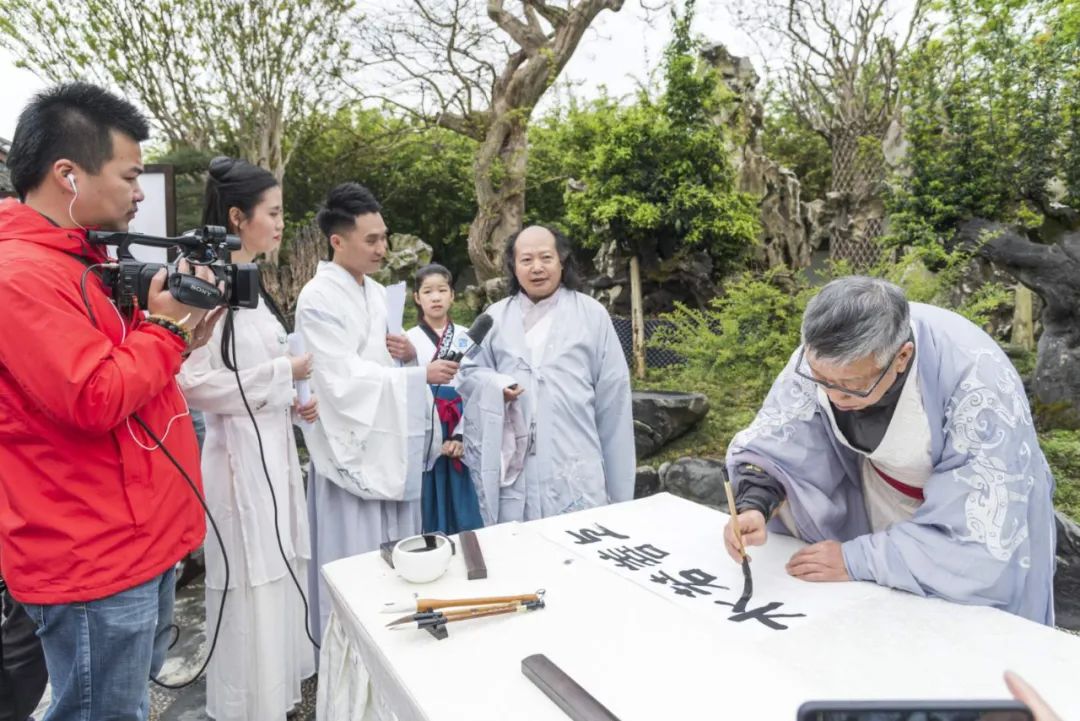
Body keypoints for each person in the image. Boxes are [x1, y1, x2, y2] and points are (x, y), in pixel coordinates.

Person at [0, 83, 220, 720]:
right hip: (91, 555)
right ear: (67, 174)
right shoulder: (21, 276)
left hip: (134, 538)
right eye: (129, 174)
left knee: (120, 702)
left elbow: (131, 375)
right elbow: (94, 397)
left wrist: (178, 335)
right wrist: (167, 329)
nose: (140, 191)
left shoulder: (79, 262)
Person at [723, 276, 1055, 624]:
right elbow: (783, 440)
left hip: (963, 513)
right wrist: (754, 505)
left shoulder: (979, 383)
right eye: (822, 382)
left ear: (902, 357)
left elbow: (979, 542)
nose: (833, 397)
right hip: (879, 490)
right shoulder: (825, 355)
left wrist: (859, 559)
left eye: (852, 388)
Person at [177, 157, 318, 721]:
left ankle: (273, 701)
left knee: (277, 575)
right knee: (247, 586)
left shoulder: (251, 285)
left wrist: (290, 398)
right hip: (236, 462)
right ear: (237, 216)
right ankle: (243, 708)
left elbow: (256, 376)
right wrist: (283, 374)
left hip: (273, 452)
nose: (282, 223)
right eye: (274, 213)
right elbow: (193, 382)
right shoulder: (201, 280)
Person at [295, 182, 456, 639]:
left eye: (384, 237)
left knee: (397, 563)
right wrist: (415, 376)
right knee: (355, 562)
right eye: (372, 240)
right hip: (351, 452)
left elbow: (378, 363)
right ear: (337, 241)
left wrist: (405, 355)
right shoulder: (317, 297)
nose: (383, 248)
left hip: (387, 443)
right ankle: (350, 653)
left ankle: (398, 643)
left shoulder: (376, 293)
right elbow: (338, 379)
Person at [456, 225, 636, 524]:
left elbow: (614, 402)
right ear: (513, 267)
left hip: (575, 461)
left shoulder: (593, 315)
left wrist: (620, 496)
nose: (537, 267)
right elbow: (466, 372)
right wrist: (497, 385)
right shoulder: (492, 317)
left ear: (562, 262)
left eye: (546, 258)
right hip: (516, 469)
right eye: (526, 260)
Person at [405, 263, 484, 534]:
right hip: (425, 425)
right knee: (428, 502)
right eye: (428, 291)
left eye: (442, 290)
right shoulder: (407, 341)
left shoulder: (468, 336)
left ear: (453, 294)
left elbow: (476, 387)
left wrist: (461, 435)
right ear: (417, 297)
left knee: (467, 502)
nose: (436, 297)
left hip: (462, 421)